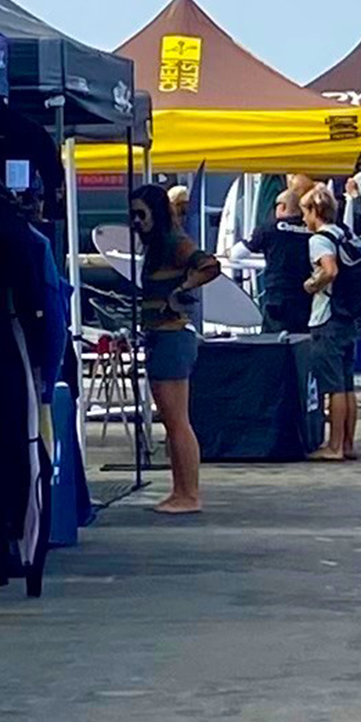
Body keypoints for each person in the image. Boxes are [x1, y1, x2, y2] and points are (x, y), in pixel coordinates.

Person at [122, 181, 216, 514]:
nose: (135, 222)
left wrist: (182, 289)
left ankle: (189, 494)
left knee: (177, 421)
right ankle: (181, 491)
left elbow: (209, 264)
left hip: (172, 336)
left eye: (140, 214)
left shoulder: (175, 242)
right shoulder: (159, 246)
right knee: (173, 420)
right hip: (163, 336)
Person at [308, 183, 361, 462]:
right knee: (347, 385)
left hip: (327, 316)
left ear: (315, 210)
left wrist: (311, 284)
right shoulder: (345, 233)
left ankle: (334, 445)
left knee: (333, 387)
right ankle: (348, 443)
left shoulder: (319, 239)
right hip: (349, 316)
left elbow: (330, 270)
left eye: (306, 212)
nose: (304, 219)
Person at [253, 179, 324, 450]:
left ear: (282, 207)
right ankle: (305, 414)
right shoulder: (311, 232)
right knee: (303, 361)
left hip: (276, 302)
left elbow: (240, 251)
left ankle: (272, 415)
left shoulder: (269, 229)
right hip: (306, 303)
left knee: (271, 358)